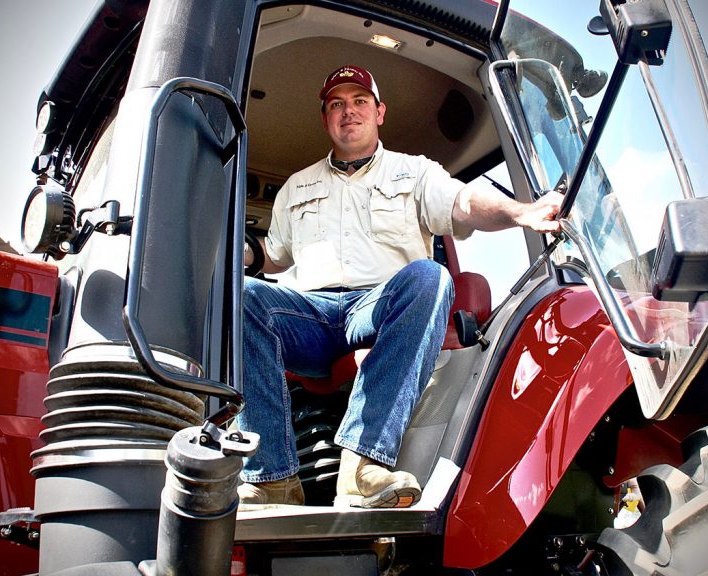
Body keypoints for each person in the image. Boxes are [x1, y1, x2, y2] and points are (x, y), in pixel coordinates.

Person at [238, 65, 563, 508]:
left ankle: (363, 466)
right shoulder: (297, 186)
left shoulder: (415, 172)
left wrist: (521, 213)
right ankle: (273, 477)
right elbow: (275, 254)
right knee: (243, 295)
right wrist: (242, 253)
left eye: (359, 103)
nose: (347, 112)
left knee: (430, 276)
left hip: (379, 306)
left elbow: (464, 203)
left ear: (379, 113)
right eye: (336, 104)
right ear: (325, 118)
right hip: (309, 314)